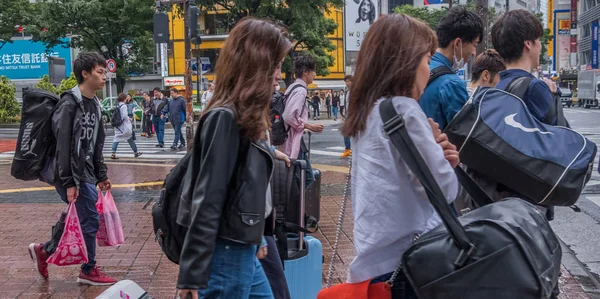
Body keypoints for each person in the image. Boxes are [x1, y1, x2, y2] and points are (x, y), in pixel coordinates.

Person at [341, 14, 460, 298]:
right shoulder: (404, 110)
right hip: (409, 261)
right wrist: (441, 157)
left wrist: (434, 153)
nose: (428, 70)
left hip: (374, 259)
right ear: (405, 63)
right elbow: (443, 189)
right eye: (426, 59)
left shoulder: (368, 110)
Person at [176, 17, 292, 299]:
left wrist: (257, 236)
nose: (280, 75)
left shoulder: (245, 116)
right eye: (276, 66)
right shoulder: (226, 118)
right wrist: (192, 272)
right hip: (226, 250)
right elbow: (208, 197)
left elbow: (245, 188)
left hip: (242, 245)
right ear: (257, 65)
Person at [28, 52, 118, 285]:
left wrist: (101, 174)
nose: (104, 76)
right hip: (67, 172)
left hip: (86, 171)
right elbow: (63, 147)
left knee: (80, 215)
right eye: (100, 72)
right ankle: (88, 269)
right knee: (89, 216)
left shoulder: (96, 105)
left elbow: (96, 143)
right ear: (85, 74)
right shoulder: (69, 104)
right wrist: (69, 182)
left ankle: (45, 251)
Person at [490, 9, 565, 225]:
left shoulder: (493, 87)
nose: (541, 46)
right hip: (527, 205)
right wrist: (554, 98)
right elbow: (563, 142)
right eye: (539, 40)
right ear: (528, 44)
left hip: (494, 198)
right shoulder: (535, 88)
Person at [419, 6, 484, 130]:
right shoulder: (451, 83)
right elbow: (466, 135)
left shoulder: (419, 68)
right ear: (458, 43)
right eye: (474, 44)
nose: (474, 52)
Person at [280, 55, 324, 160]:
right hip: (292, 141)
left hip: (291, 138)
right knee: (305, 174)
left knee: (305, 173)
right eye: (313, 70)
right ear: (305, 71)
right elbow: (289, 116)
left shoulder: (293, 87)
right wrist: (309, 126)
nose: (315, 74)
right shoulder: (300, 91)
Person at [111, 93, 143, 159]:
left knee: (116, 138)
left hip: (118, 126)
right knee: (130, 138)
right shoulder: (124, 106)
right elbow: (125, 116)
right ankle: (136, 152)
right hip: (124, 125)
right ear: (124, 99)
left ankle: (113, 153)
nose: (127, 99)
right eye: (126, 98)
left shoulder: (117, 105)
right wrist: (129, 119)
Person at [340, 75, 353, 158]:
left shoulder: (356, 91)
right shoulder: (347, 92)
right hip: (347, 115)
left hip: (354, 115)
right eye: (346, 81)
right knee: (346, 132)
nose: (347, 83)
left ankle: (352, 149)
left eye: (349, 81)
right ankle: (347, 149)